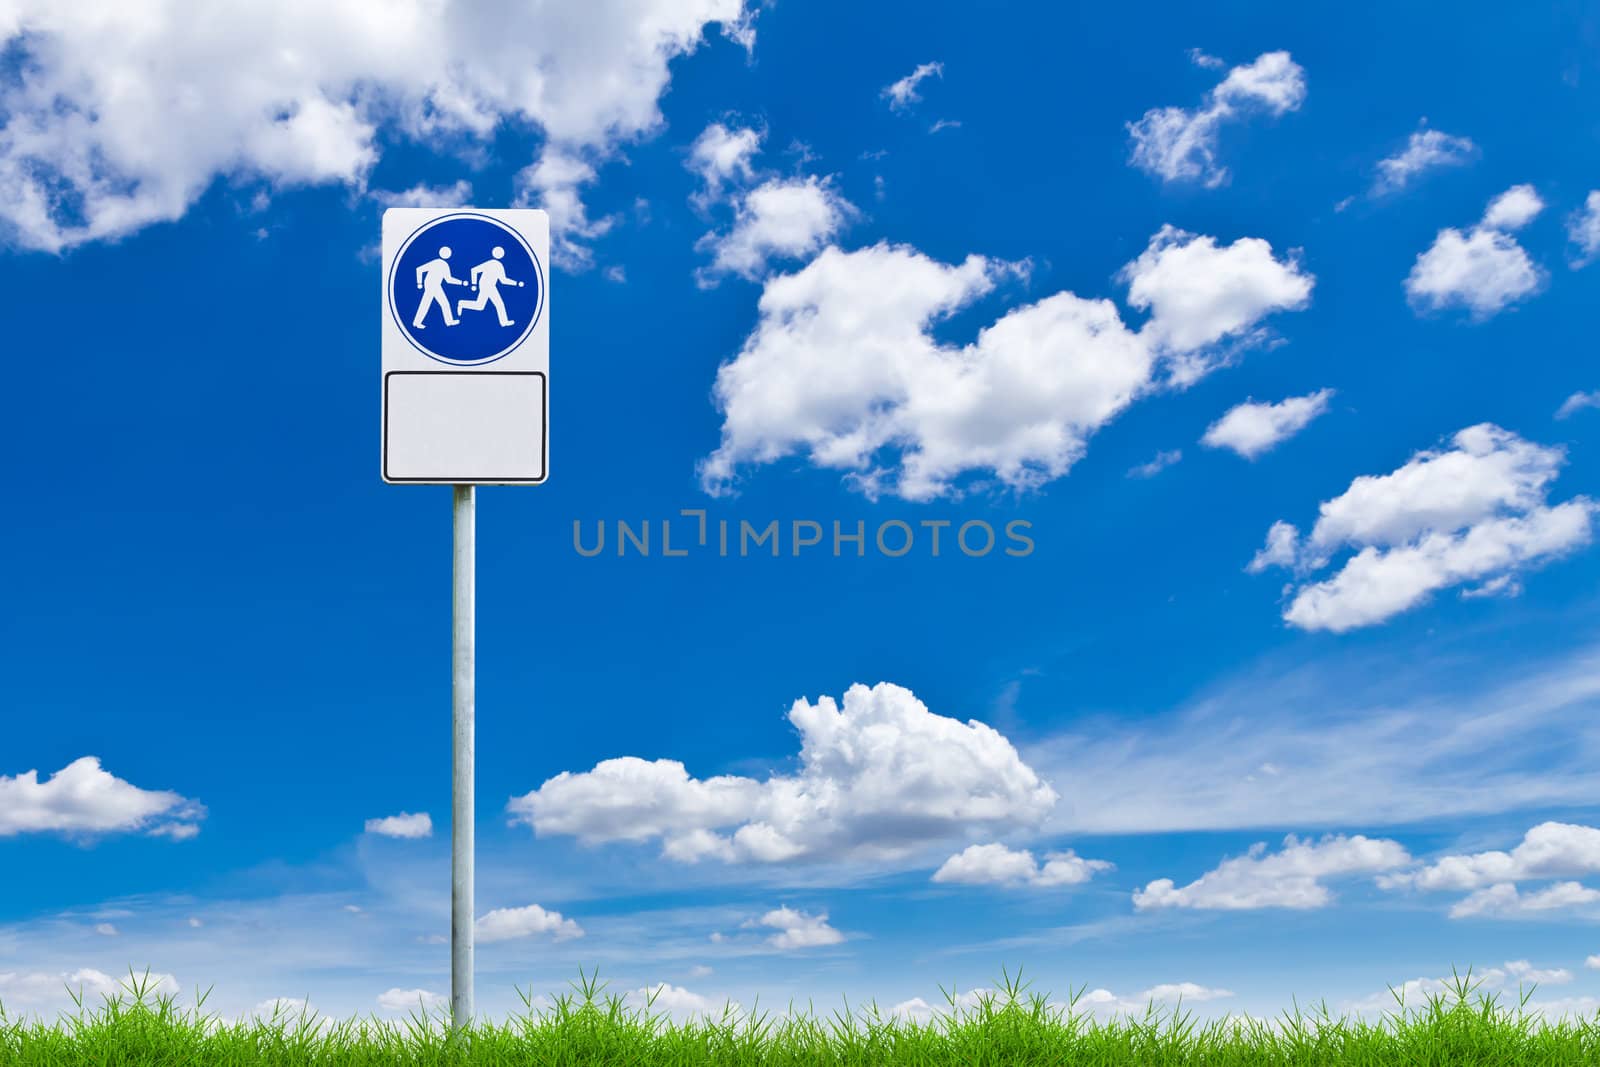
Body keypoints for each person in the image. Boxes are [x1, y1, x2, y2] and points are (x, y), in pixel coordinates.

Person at [456, 246, 525, 327]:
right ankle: (504, 322)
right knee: (499, 304)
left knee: (480, 306)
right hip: (487, 286)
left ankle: (462, 303)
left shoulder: (498, 265)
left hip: (489, 286)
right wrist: (474, 284)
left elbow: (503, 280)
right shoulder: (492, 263)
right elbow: (474, 270)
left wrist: (516, 283)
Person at [413, 247, 465, 329]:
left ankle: (449, 321)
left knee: (441, 303)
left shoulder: (442, 264)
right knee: (429, 303)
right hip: (432, 285)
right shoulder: (438, 263)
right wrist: (419, 283)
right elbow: (419, 269)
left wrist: (461, 282)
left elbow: (448, 280)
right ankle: (417, 323)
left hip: (435, 285)